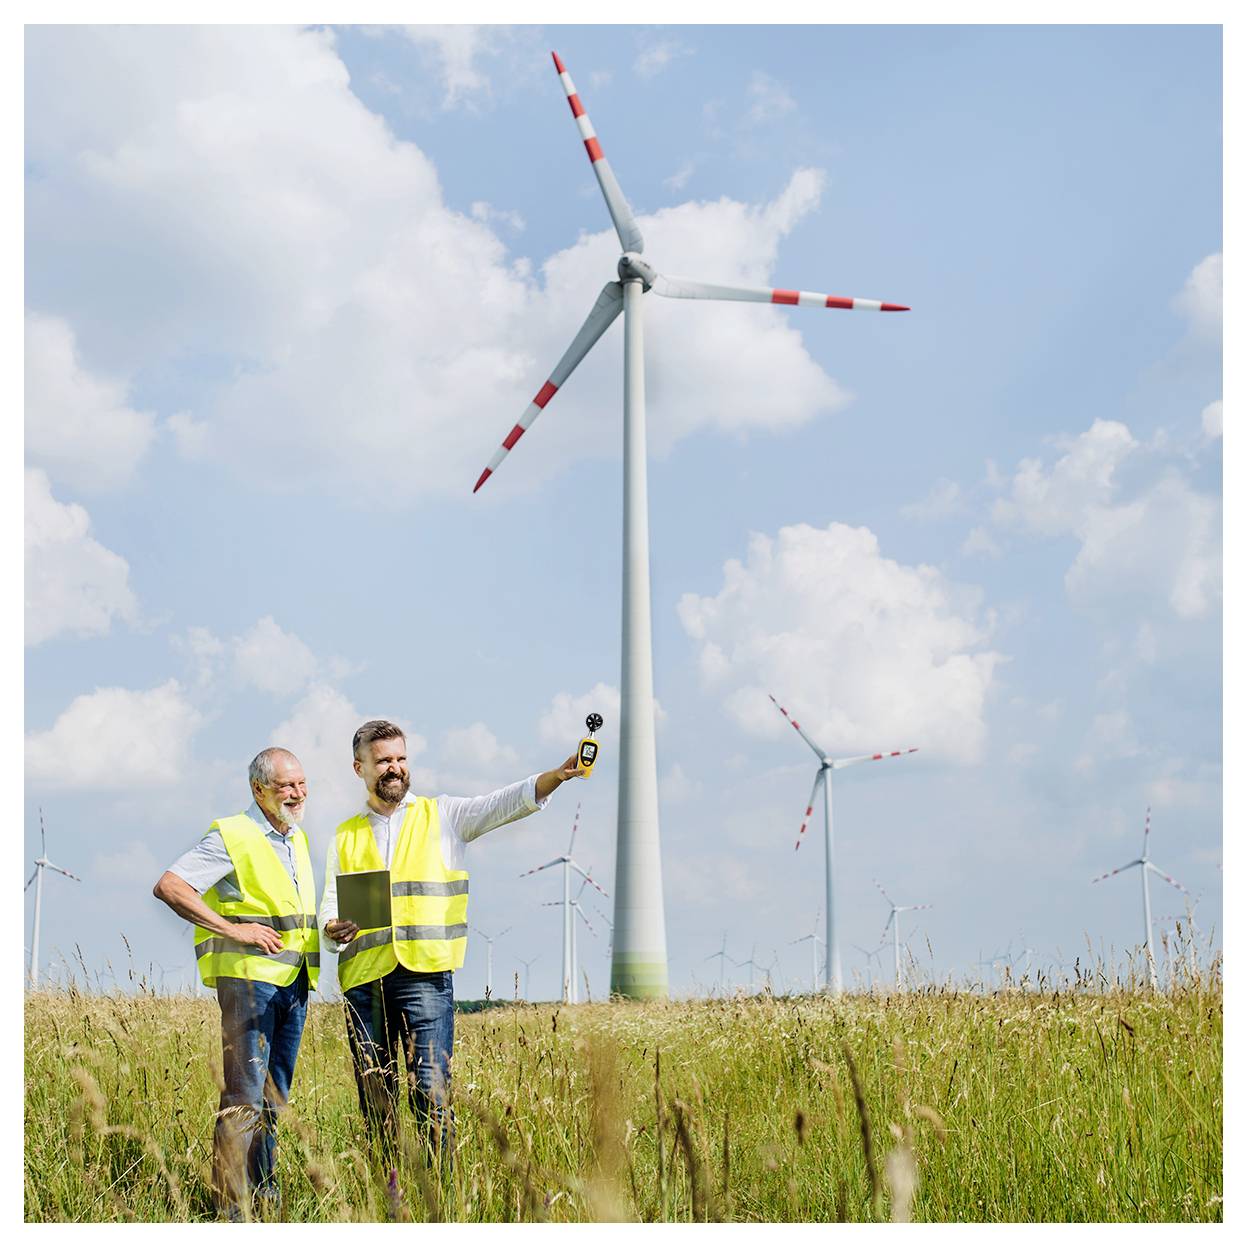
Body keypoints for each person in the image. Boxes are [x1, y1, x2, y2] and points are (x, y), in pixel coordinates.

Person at [319, 719, 582, 1164]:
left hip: (425, 977)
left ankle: (438, 1194)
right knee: (375, 1095)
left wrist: (555, 776)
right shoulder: (344, 834)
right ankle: (389, 1193)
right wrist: (331, 929)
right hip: (365, 982)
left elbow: (502, 804)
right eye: (383, 760)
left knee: (431, 1089)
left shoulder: (442, 815)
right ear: (359, 767)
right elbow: (329, 903)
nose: (395, 768)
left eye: (401, 759)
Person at [152, 748, 320, 1220]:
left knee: (273, 1100)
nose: (298, 792)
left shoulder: (297, 839)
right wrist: (234, 930)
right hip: (250, 985)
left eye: (302, 783)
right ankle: (230, 1212)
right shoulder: (234, 834)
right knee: (243, 1099)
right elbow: (171, 886)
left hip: (293, 982)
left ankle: (264, 1202)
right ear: (259, 789)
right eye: (287, 785)